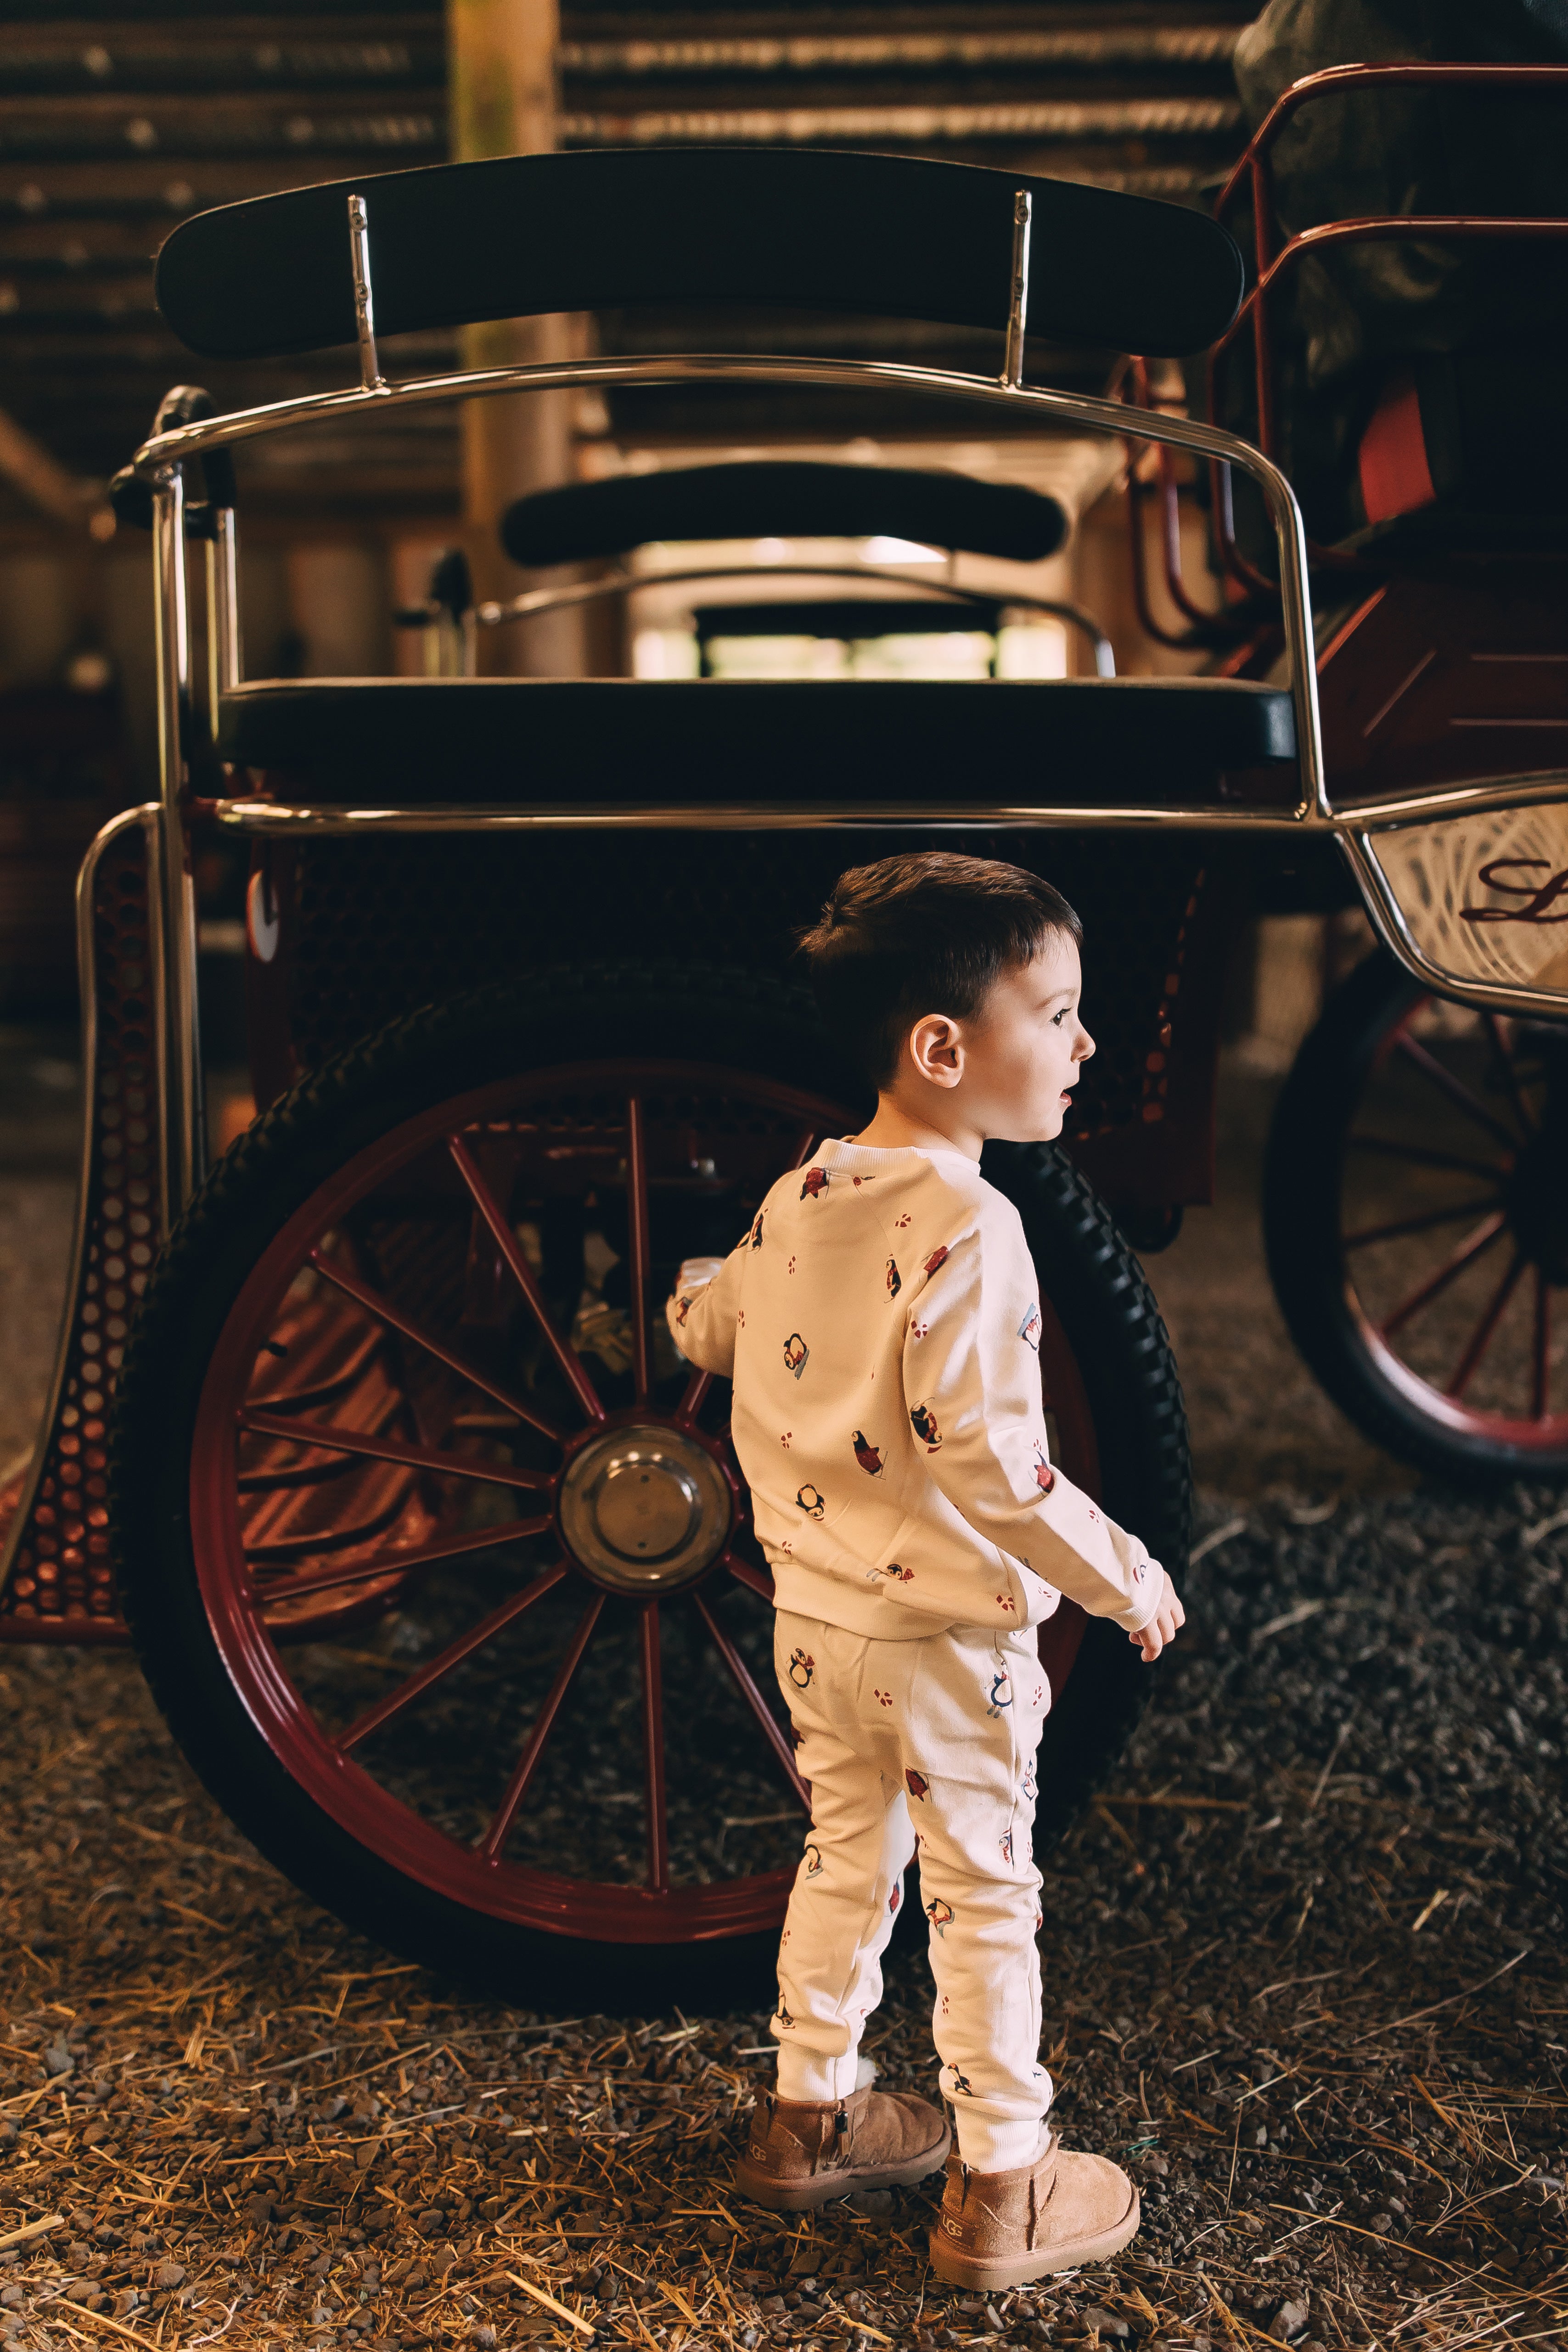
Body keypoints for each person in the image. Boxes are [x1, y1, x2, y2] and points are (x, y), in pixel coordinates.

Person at [665, 851, 1185, 2292]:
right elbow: (992, 1466)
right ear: (943, 1047)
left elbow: (715, 1323)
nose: (1084, 1044)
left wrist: (677, 1298)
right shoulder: (975, 1224)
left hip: (817, 1632)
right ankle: (1006, 2182)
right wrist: (1120, 1570)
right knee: (983, 1894)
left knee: (846, 1855)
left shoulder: (802, 1194)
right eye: (1060, 1011)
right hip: (951, 1646)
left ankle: (811, 2114)